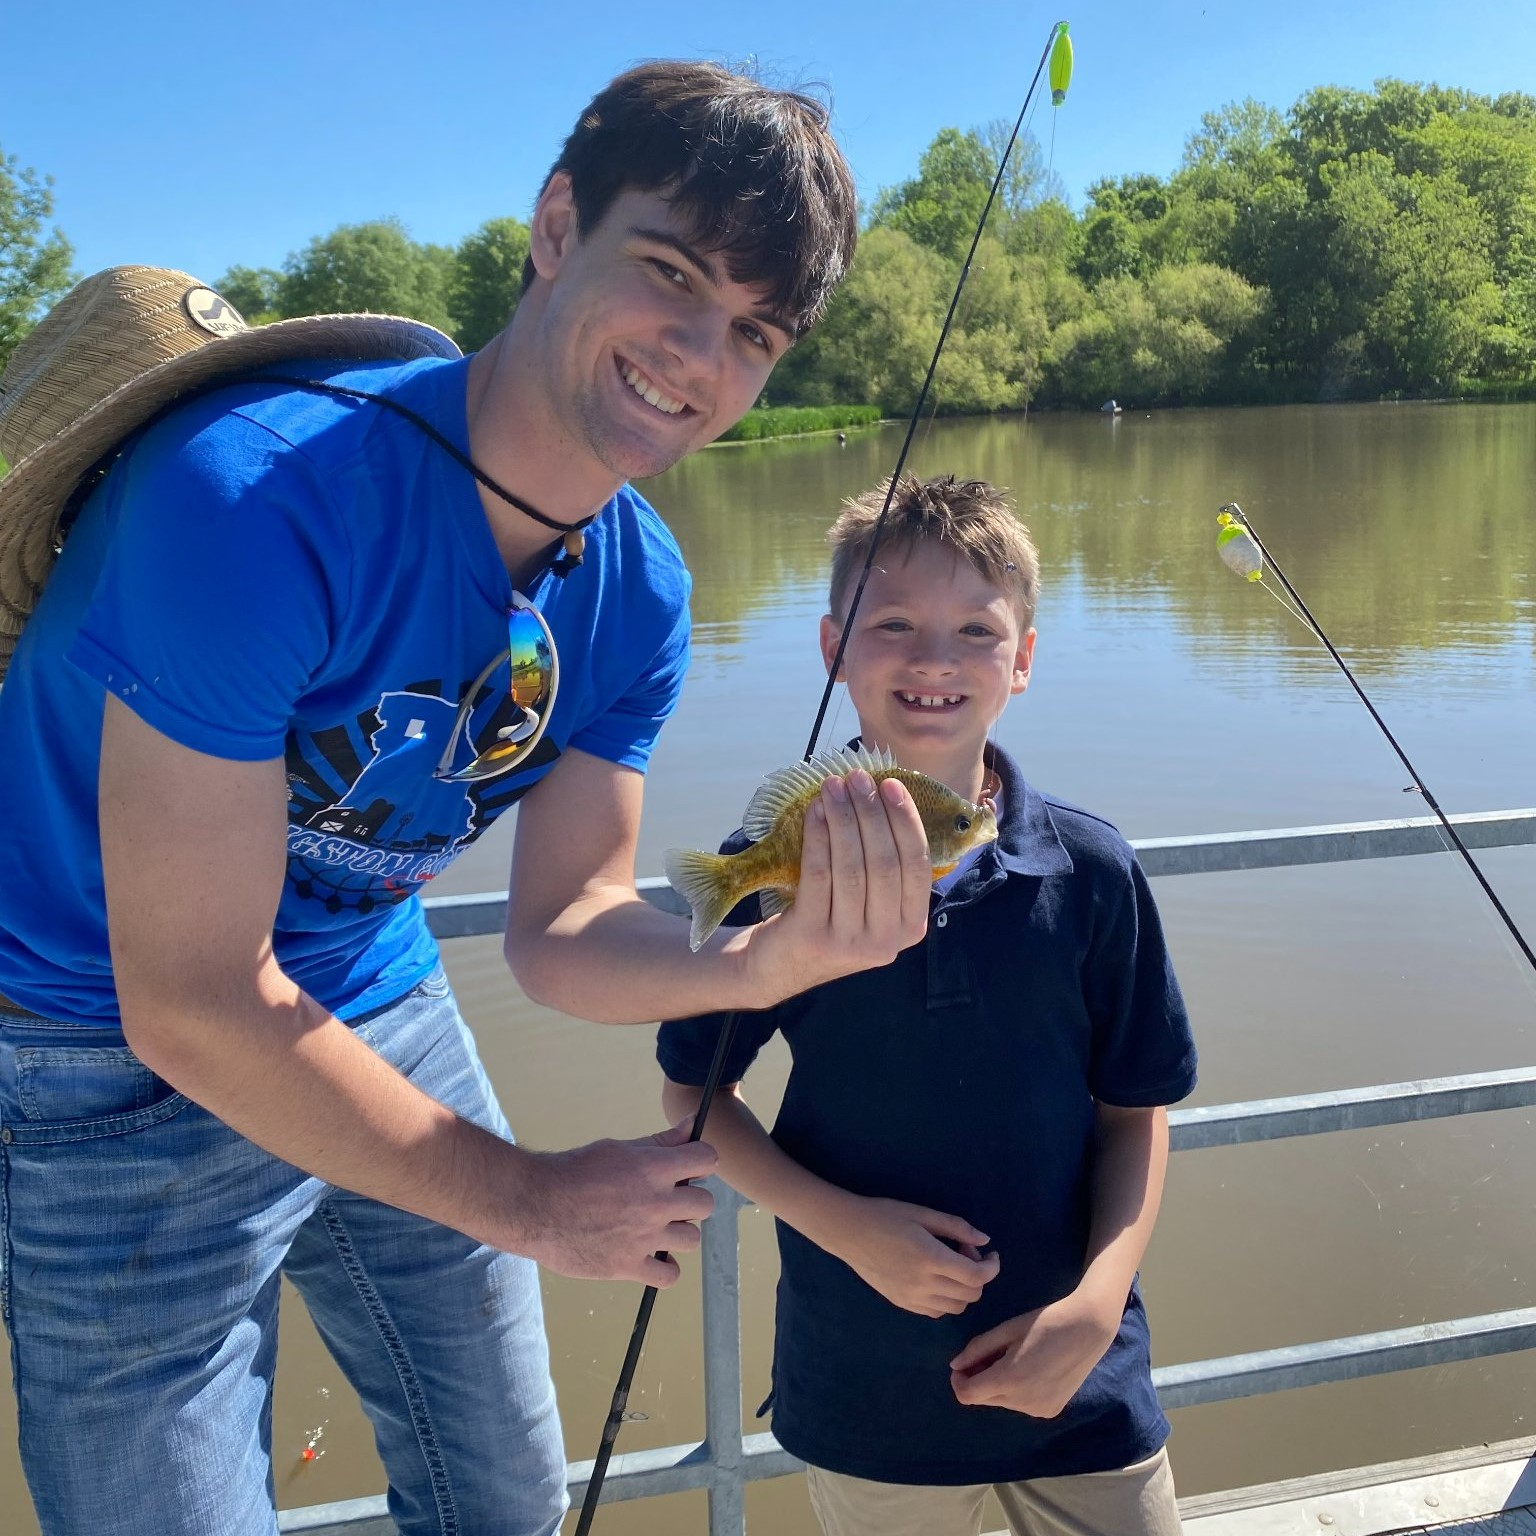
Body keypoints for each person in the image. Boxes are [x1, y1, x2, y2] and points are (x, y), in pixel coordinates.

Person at [0, 63, 940, 1536]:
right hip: (89, 1039)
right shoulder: (246, 501)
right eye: (671, 273)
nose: (697, 355)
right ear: (557, 224)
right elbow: (186, 1000)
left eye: (753, 331)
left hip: (369, 988)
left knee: (503, 1497)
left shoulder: (641, 590)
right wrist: (529, 1199)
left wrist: (774, 958)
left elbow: (563, 926)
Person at [659, 474, 1198, 1536]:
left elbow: (1136, 1114)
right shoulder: (775, 866)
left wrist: (1094, 1311)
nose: (933, 660)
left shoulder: (1091, 872)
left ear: (1025, 660)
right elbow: (693, 1098)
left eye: (976, 631)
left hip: (1082, 1384)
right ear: (832, 649)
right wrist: (843, 1226)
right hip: (867, 1396)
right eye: (892, 625)